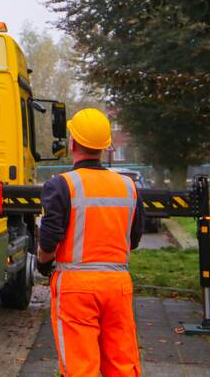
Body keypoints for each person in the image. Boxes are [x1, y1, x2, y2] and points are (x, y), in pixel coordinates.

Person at [38, 107, 144, 377]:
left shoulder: (61, 185)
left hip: (75, 289)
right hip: (118, 286)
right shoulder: (129, 187)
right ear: (105, 147)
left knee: (80, 367)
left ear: (72, 143)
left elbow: (49, 240)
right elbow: (133, 240)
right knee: (122, 364)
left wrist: (43, 263)